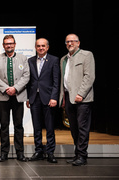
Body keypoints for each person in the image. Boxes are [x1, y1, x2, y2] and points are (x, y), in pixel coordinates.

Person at [0, 35, 30, 162]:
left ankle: (20, 152)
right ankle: (4, 152)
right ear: (3, 45)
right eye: (6, 43)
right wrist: (7, 88)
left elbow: (26, 76)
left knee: (18, 125)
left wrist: (15, 88)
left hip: (18, 96)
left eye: (11, 43)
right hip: (3, 96)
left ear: (15, 44)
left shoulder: (23, 58)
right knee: (4, 125)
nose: (9, 45)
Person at [59, 34, 95, 166]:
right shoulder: (63, 59)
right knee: (73, 127)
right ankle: (77, 153)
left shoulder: (87, 55)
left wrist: (81, 93)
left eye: (73, 41)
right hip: (68, 97)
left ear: (78, 43)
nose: (70, 43)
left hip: (82, 98)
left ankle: (82, 155)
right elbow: (64, 80)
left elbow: (89, 76)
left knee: (82, 127)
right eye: (67, 41)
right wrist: (62, 98)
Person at [26, 38, 60, 163]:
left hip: (48, 98)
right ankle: (39, 151)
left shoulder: (54, 60)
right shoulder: (30, 61)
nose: (41, 48)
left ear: (47, 47)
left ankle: (50, 152)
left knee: (50, 127)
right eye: (38, 46)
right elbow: (29, 82)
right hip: (34, 98)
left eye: (43, 46)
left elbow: (56, 81)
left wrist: (54, 97)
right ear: (35, 47)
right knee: (36, 127)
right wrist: (29, 98)